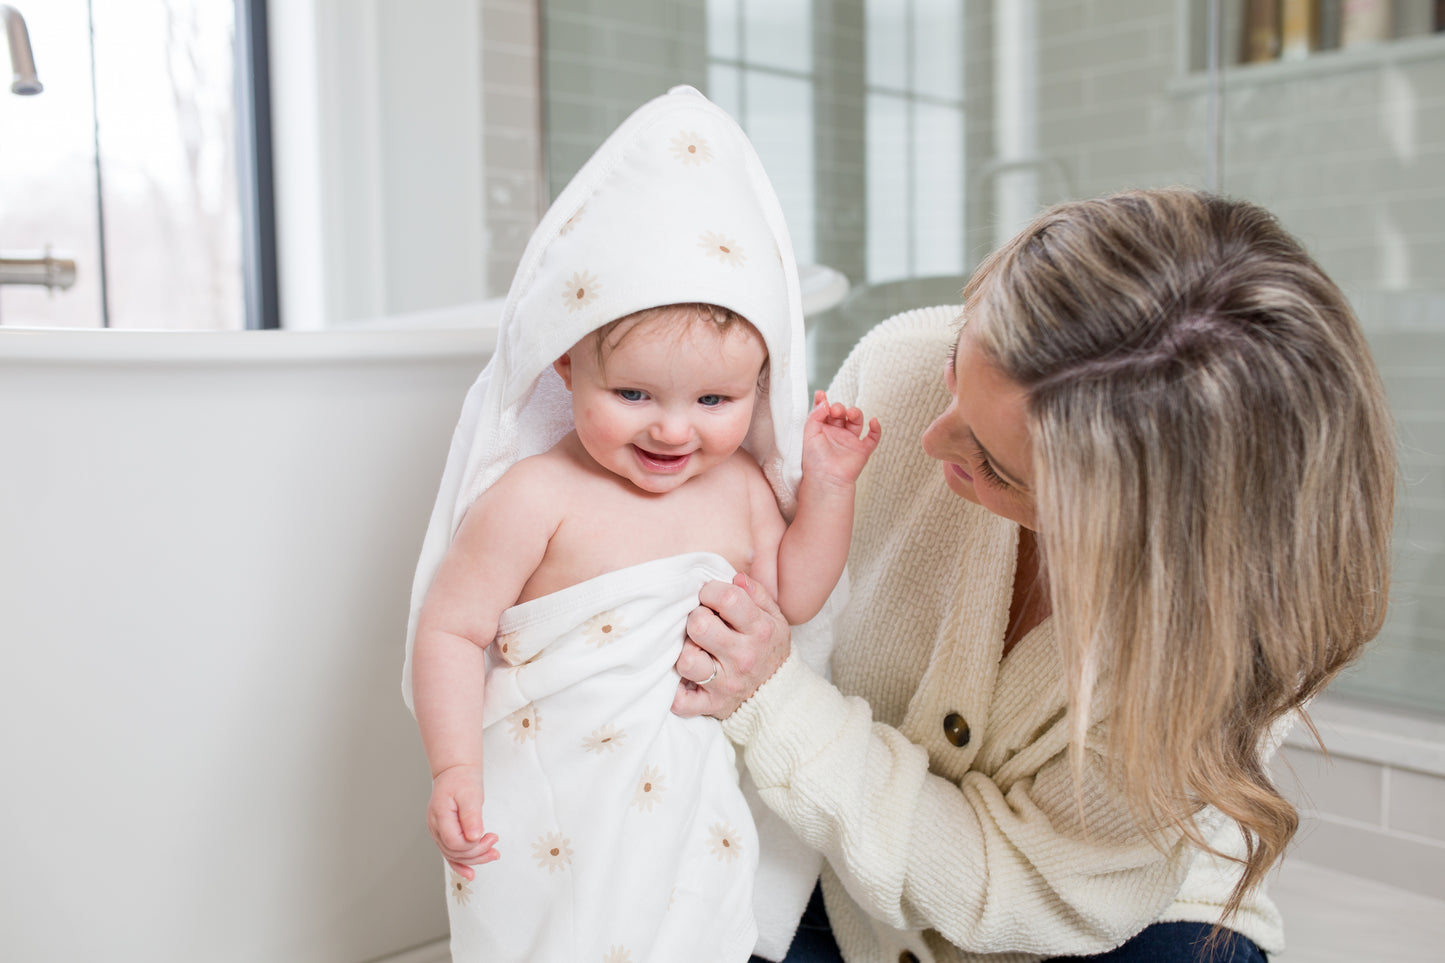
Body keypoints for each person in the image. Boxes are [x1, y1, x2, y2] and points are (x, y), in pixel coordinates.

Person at [674, 187, 1398, 963]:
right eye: (956, 369)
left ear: (1141, 529)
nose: (929, 439)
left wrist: (775, 701)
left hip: (1090, 920)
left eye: (993, 465)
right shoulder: (896, 368)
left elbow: (1012, 883)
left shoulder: (1229, 634)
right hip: (834, 860)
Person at [401, 87, 879, 963]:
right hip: (548, 795)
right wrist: (455, 766)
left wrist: (830, 485)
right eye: (632, 394)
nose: (671, 429)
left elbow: (796, 597)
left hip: (682, 802)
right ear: (565, 365)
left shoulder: (739, 488)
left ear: (760, 386)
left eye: (714, 400)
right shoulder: (537, 495)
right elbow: (451, 629)